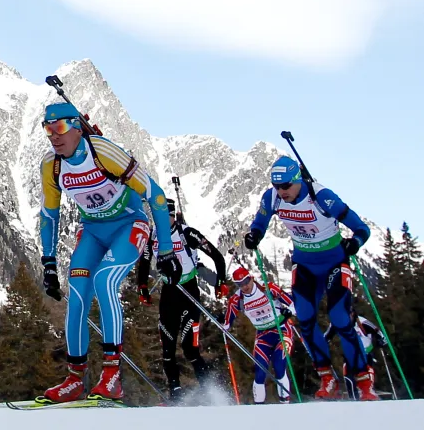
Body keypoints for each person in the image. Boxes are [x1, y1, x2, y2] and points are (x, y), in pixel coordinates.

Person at [38, 102, 180, 402]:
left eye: (60, 127)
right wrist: (48, 262)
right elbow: (49, 215)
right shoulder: (51, 165)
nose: (54, 135)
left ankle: (112, 376)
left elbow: (155, 195)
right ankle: (75, 379)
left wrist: (165, 250)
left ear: (77, 127)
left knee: (105, 281)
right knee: (77, 292)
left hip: (129, 226)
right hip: (92, 231)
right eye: (47, 129)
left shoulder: (102, 152)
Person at [243, 155, 375, 400]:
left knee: (340, 319)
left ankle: (364, 379)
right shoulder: (271, 197)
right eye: (276, 186)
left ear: (298, 180)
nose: (281, 192)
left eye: (285, 186)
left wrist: (354, 243)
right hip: (304, 264)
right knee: (304, 319)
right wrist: (254, 235)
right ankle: (326, 377)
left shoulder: (321, 196)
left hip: (334, 262)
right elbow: (259, 223)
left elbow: (361, 228)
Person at [135, 199, 227, 401]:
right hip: (168, 293)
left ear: (172, 215)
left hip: (189, 292)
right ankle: (174, 392)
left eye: (164, 216)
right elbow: (144, 260)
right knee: (167, 349)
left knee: (189, 348)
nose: (161, 220)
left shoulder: (187, 233)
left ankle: (207, 390)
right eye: (157, 216)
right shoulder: (153, 235)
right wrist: (142, 286)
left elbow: (217, 257)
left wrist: (220, 282)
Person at [223, 266, 295, 403]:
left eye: (246, 282)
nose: (244, 286)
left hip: (282, 330)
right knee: (260, 371)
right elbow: (226, 323)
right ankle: (258, 408)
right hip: (263, 335)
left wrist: (289, 311)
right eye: (240, 284)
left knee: (279, 366)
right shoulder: (237, 299)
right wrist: (223, 326)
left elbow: (292, 303)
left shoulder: (267, 288)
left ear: (251, 278)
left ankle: (285, 403)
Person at [324, 312, 388, 399]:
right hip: (350, 355)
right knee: (348, 376)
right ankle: (353, 399)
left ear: (353, 314)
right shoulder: (337, 323)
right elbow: (326, 336)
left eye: (349, 315)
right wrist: (319, 344)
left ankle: (368, 394)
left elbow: (378, 332)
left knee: (366, 375)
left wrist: (381, 340)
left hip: (365, 354)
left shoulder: (362, 322)